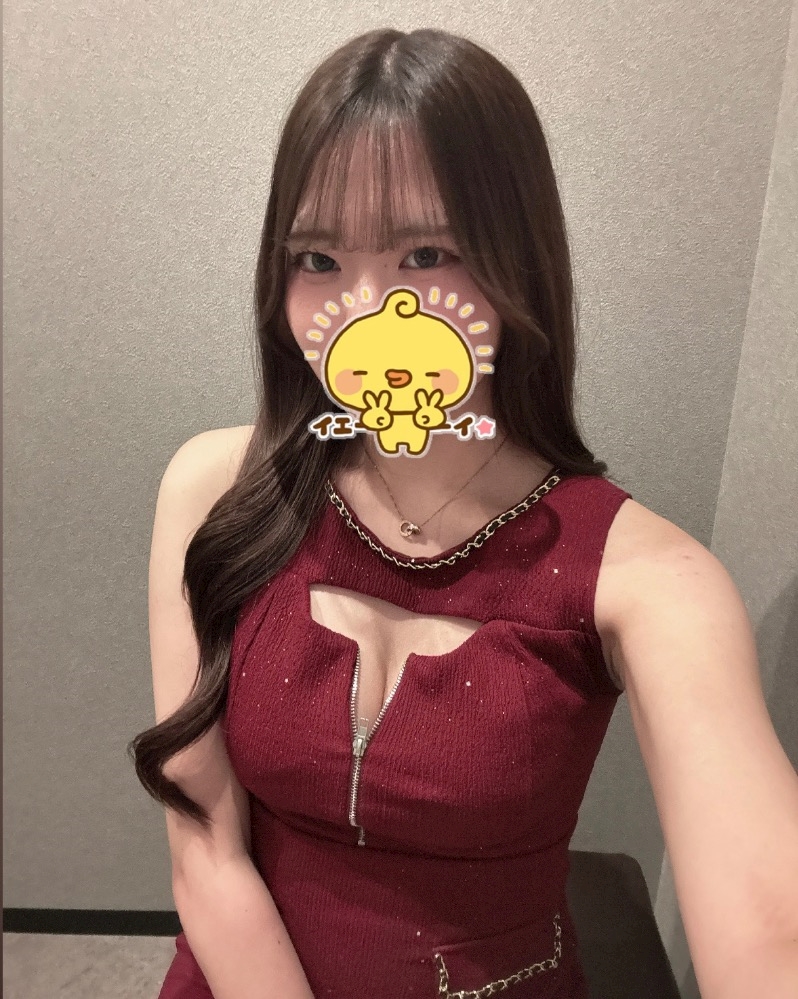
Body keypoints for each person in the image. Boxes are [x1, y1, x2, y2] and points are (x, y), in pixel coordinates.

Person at [130, 27, 798, 999]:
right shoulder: (215, 489)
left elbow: (771, 926)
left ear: (515, 265)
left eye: (425, 252)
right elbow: (204, 850)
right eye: (318, 258)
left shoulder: (652, 582)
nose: (365, 312)